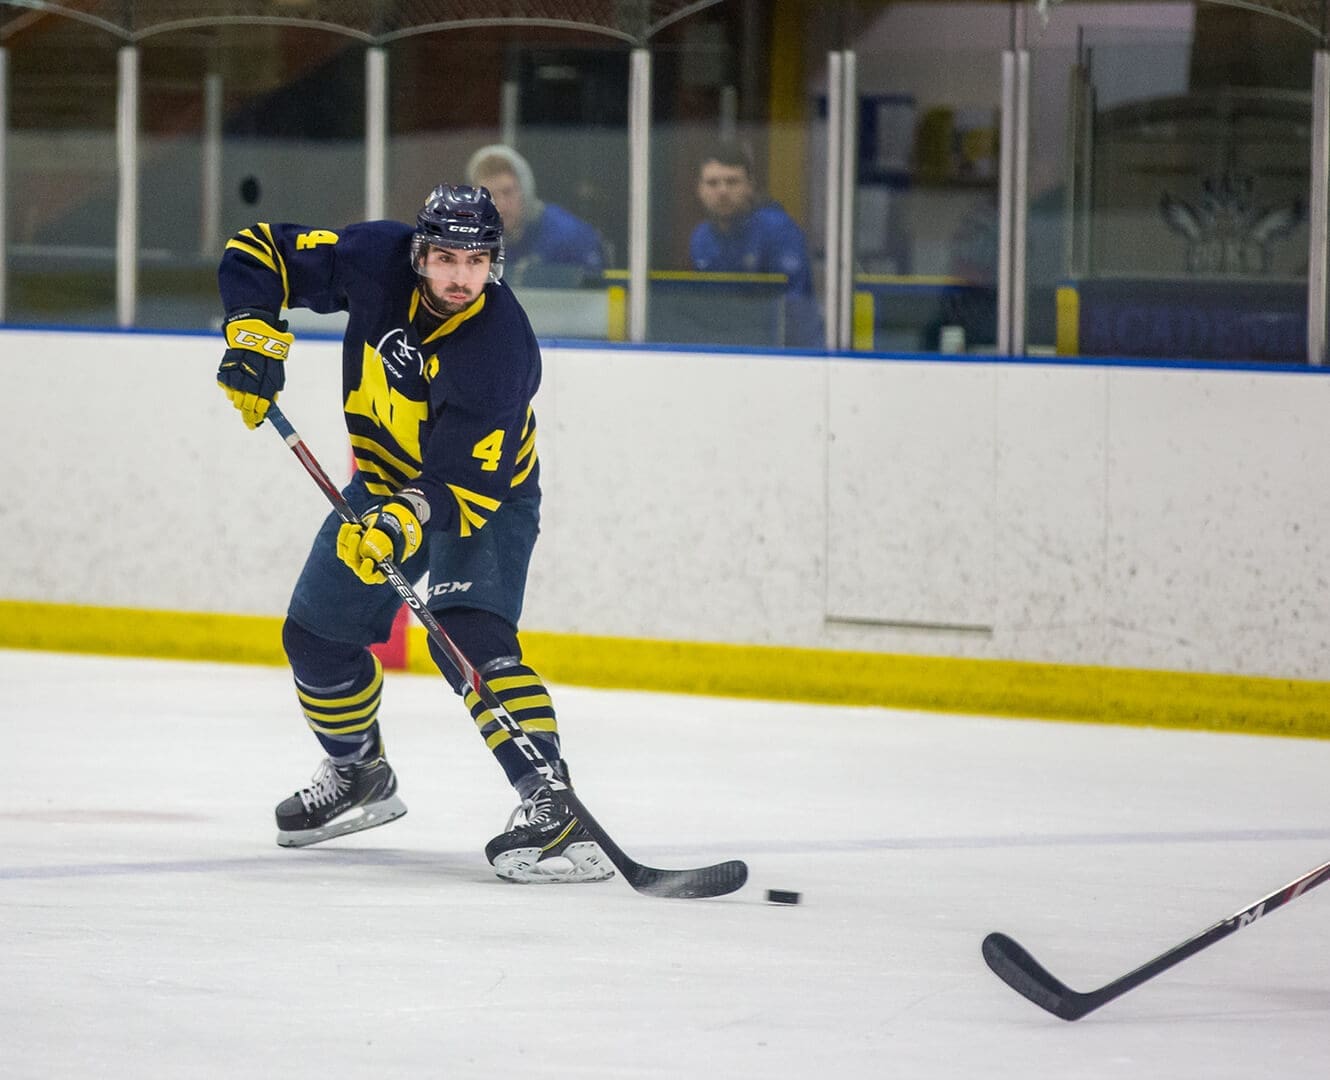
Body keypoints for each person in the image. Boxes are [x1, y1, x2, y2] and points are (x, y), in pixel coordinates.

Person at [214, 184, 613, 885]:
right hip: (384, 476)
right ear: (419, 254)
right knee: (314, 637)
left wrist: (398, 522)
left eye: (477, 261)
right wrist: (252, 334)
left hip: (482, 496)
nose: (461, 277)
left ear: (496, 264)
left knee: (465, 636)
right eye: (447, 258)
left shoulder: (501, 348)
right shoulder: (374, 259)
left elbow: (462, 481)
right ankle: (358, 770)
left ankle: (552, 802)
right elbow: (261, 250)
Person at [690, 141, 824, 347]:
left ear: (749, 186)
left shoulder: (779, 231)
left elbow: (793, 310)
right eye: (713, 183)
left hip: (785, 354)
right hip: (724, 349)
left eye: (732, 182)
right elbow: (705, 309)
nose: (722, 191)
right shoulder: (700, 238)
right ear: (700, 190)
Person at [466, 144, 606, 286]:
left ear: (525, 191)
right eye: (490, 196)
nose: (500, 205)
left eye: (508, 192)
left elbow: (596, 299)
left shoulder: (571, 236)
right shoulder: (470, 244)